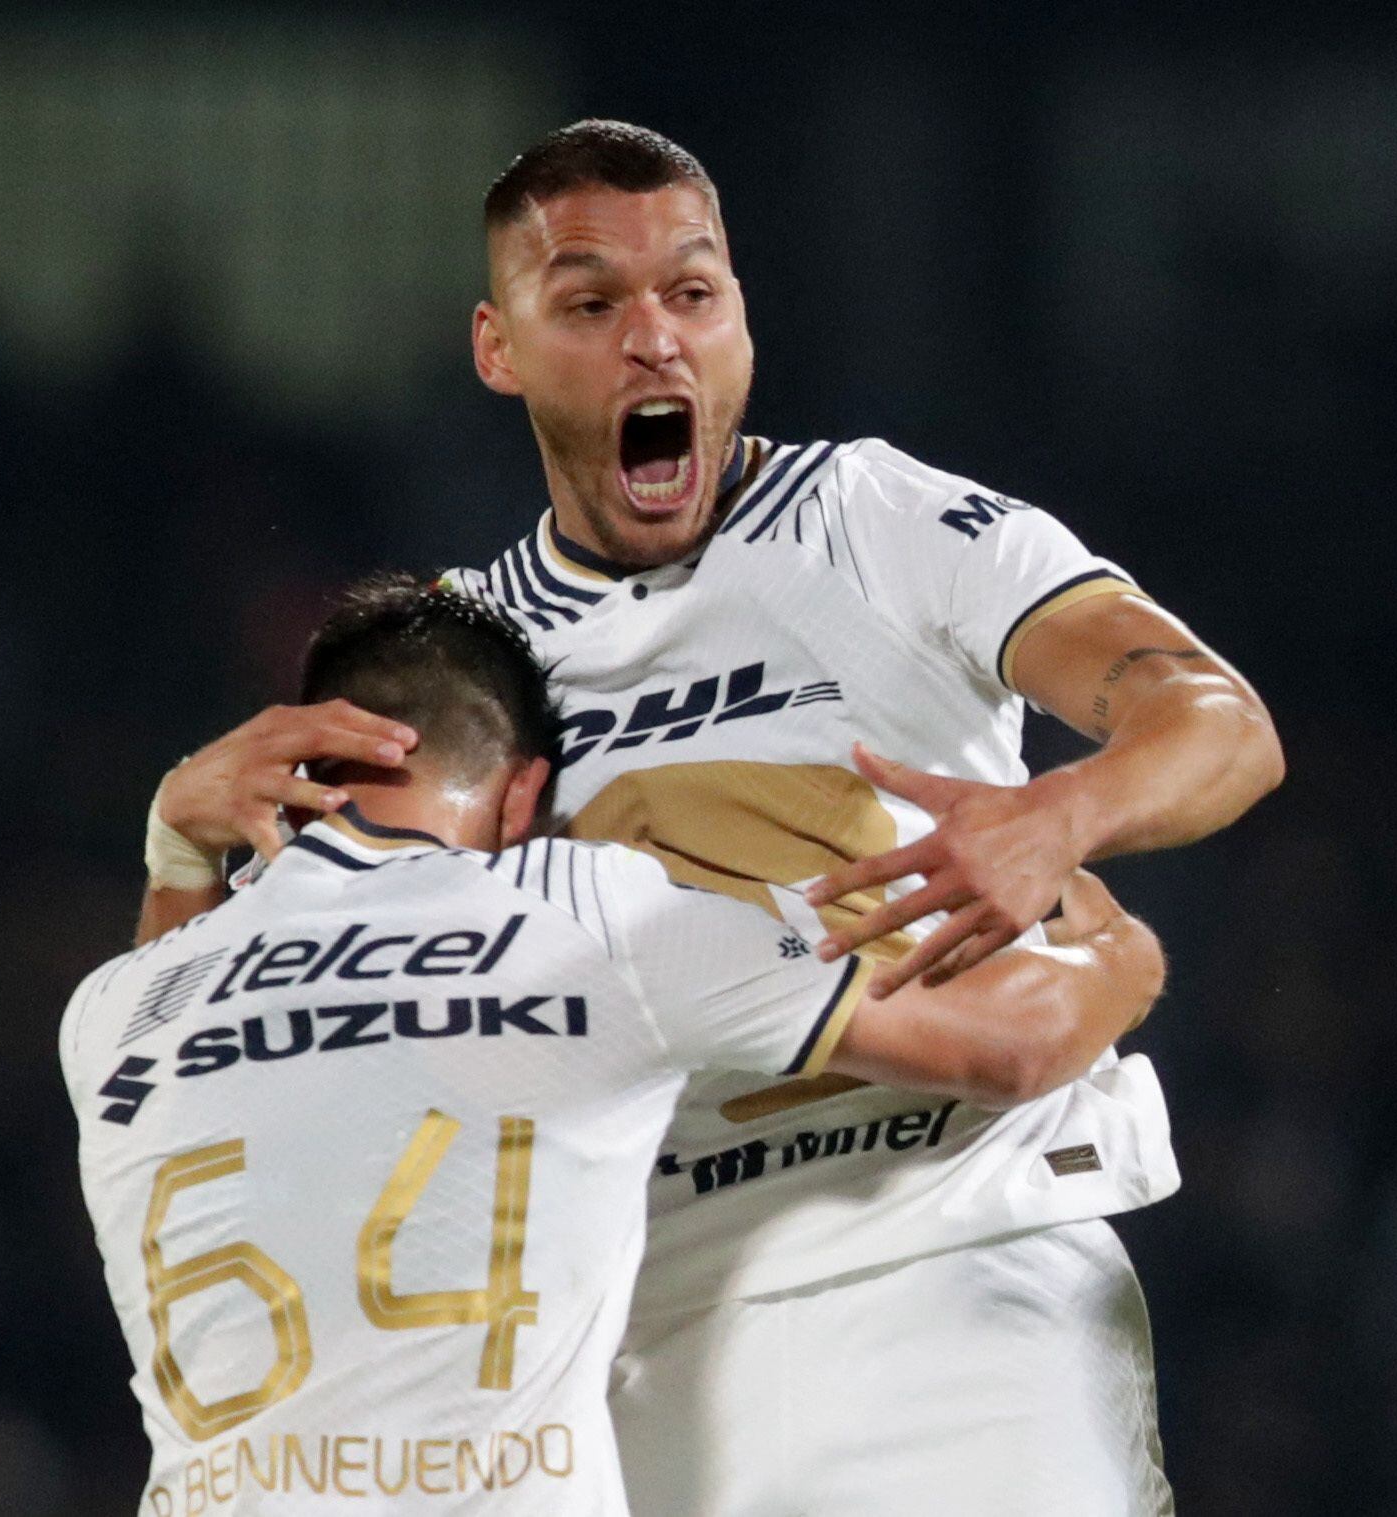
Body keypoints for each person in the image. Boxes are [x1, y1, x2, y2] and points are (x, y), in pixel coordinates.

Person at [139, 122, 1284, 1513]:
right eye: (589, 302)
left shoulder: (868, 519)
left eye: (692, 293)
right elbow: (214, 1045)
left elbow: (1214, 720)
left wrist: (1061, 812)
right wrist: (179, 848)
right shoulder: (451, 665)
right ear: (497, 349)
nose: (653, 343)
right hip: (634, 1339)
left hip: (955, 1272)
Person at [68, 578, 1164, 1516]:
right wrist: (1113, 942)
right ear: (524, 799)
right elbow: (1012, 1044)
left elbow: (189, 1023)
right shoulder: (580, 911)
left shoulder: (113, 1004)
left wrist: (177, 846)